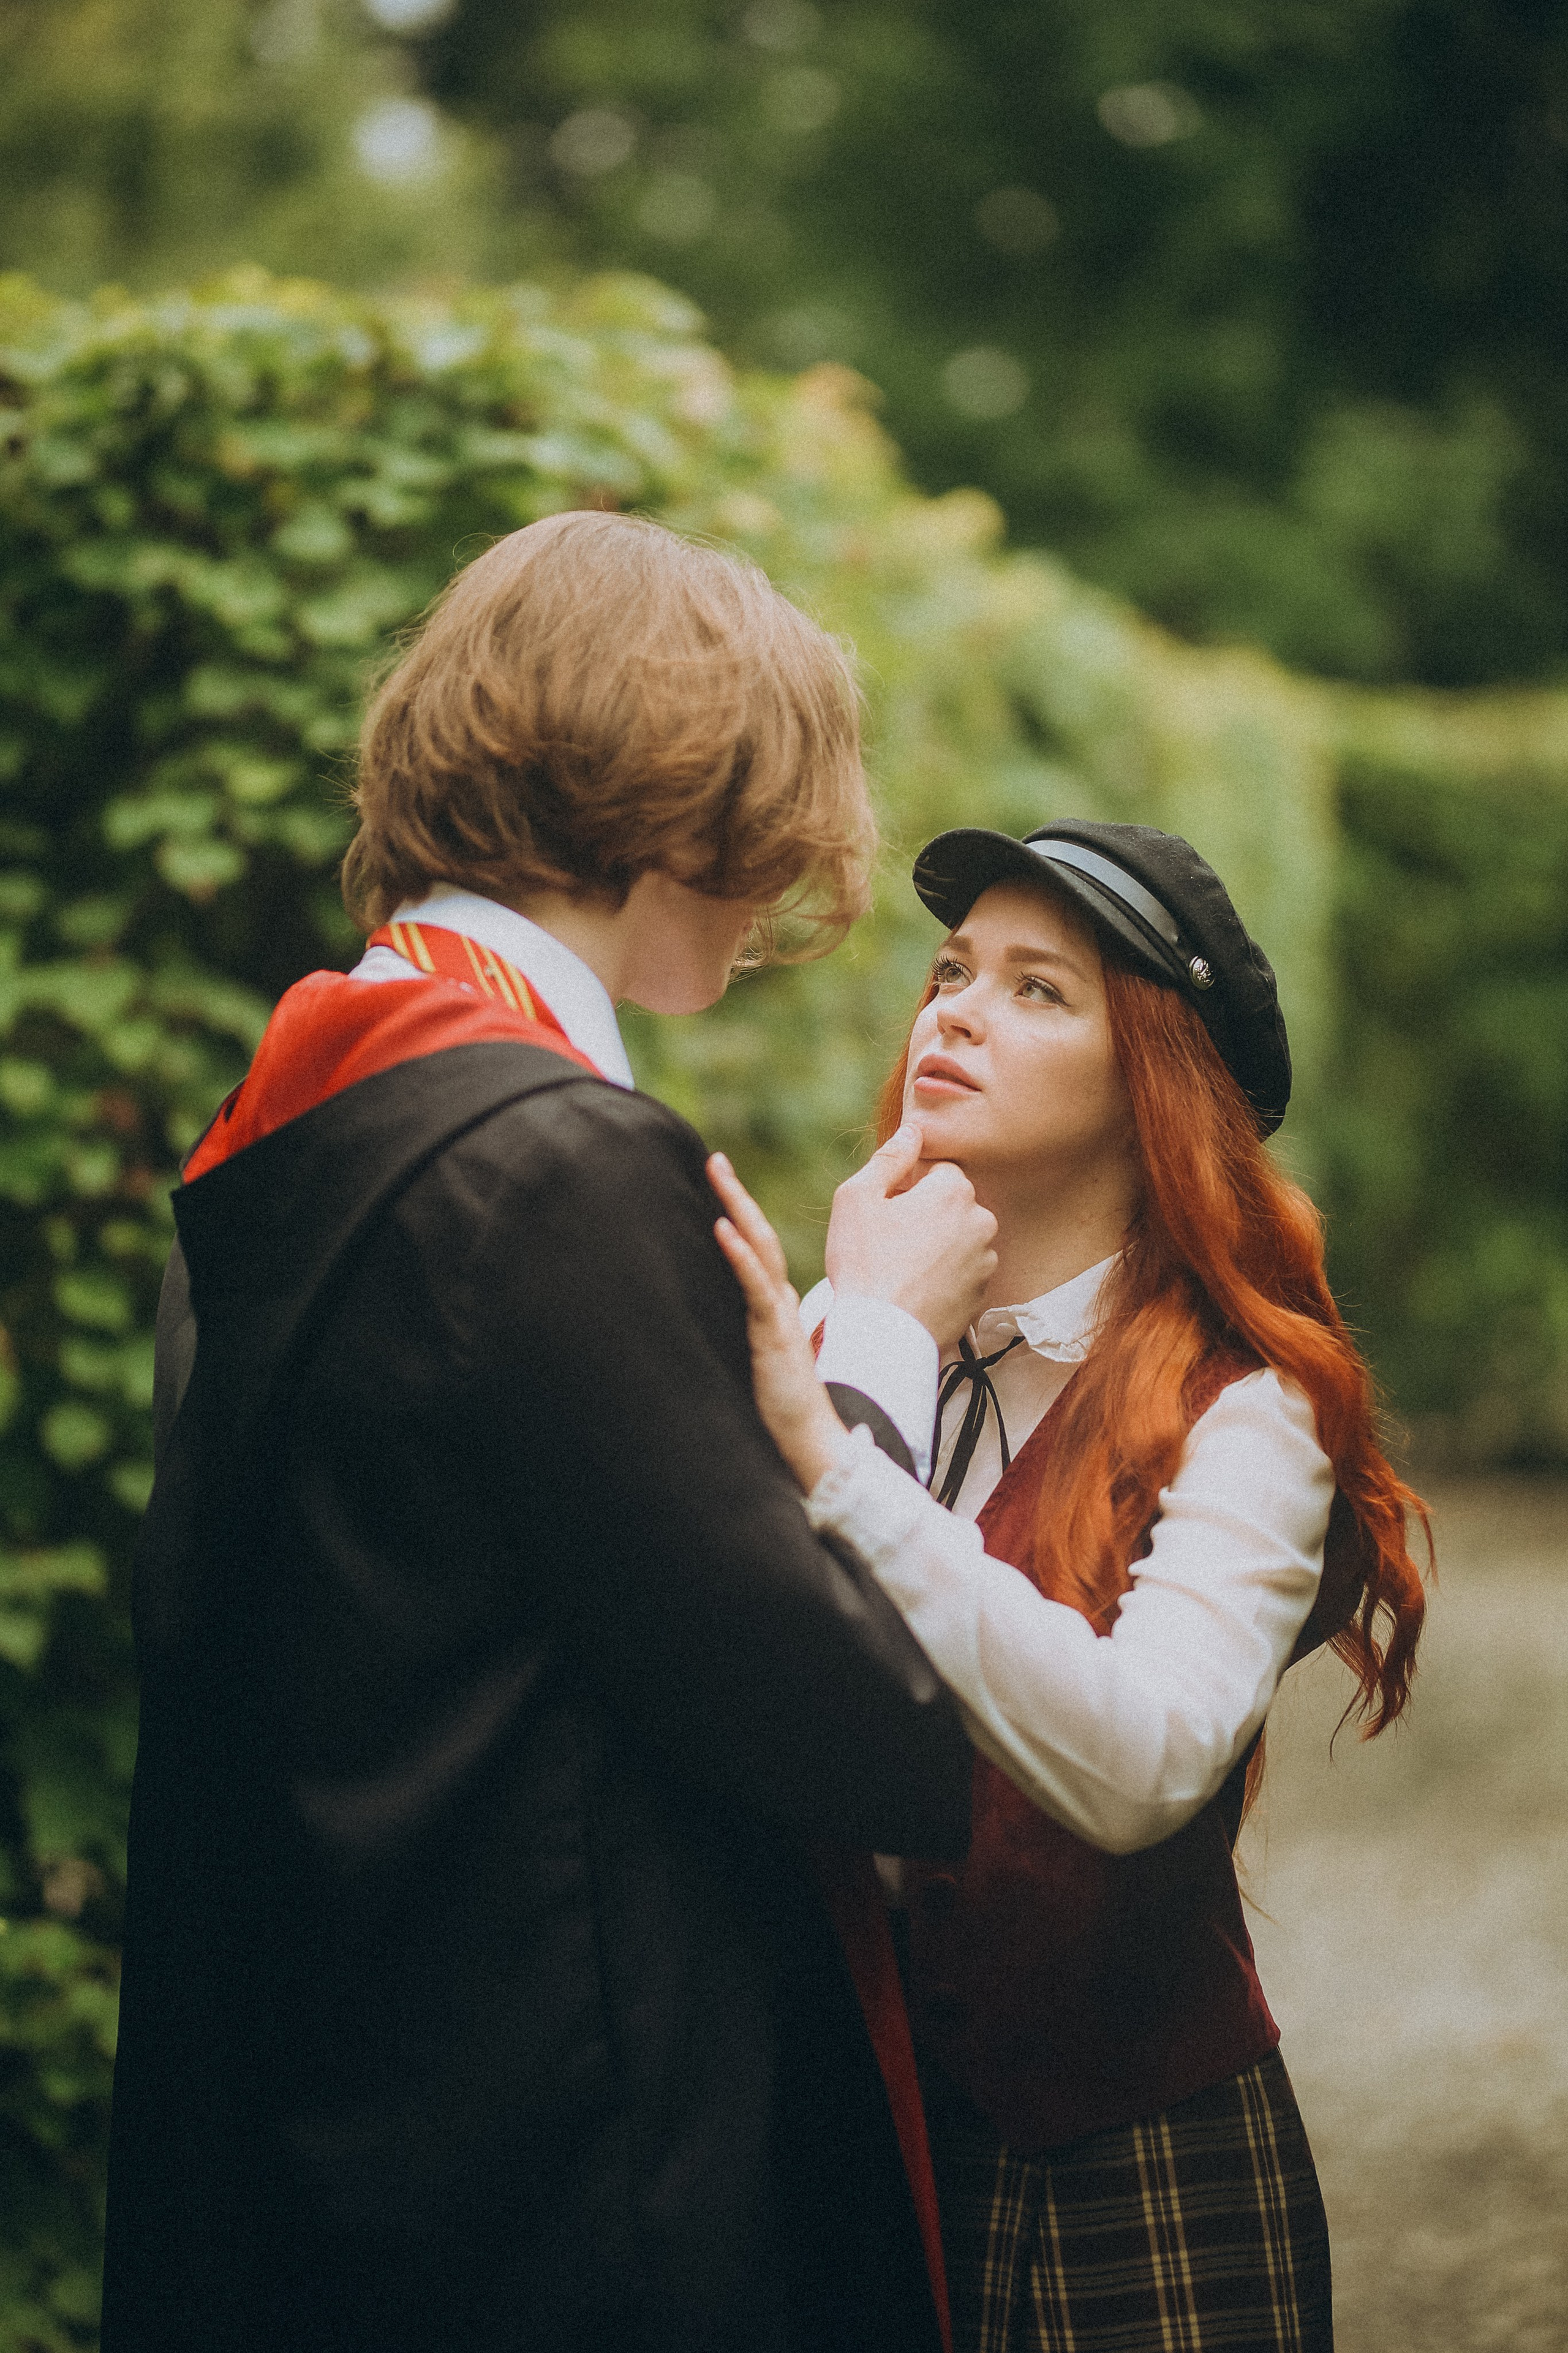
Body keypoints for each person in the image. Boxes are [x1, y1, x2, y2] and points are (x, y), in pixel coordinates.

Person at [100, 513, 1003, 2353]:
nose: (780, 883)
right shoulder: (558, 1161)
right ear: (687, 793)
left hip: (347, 2125)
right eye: (768, 807)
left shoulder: (305, 1099)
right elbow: (851, 1726)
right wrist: (886, 1355)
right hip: (579, 2171)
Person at [710, 818, 1430, 2353]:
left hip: (1135, 2165)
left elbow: (1147, 1757)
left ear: (1148, 1079)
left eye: (1038, 990)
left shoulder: (1247, 1403)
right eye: (953, 969)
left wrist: (848, 1472)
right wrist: (864, 1360)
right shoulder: (847, 1327)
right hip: (846, 2136)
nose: (954, 1008)